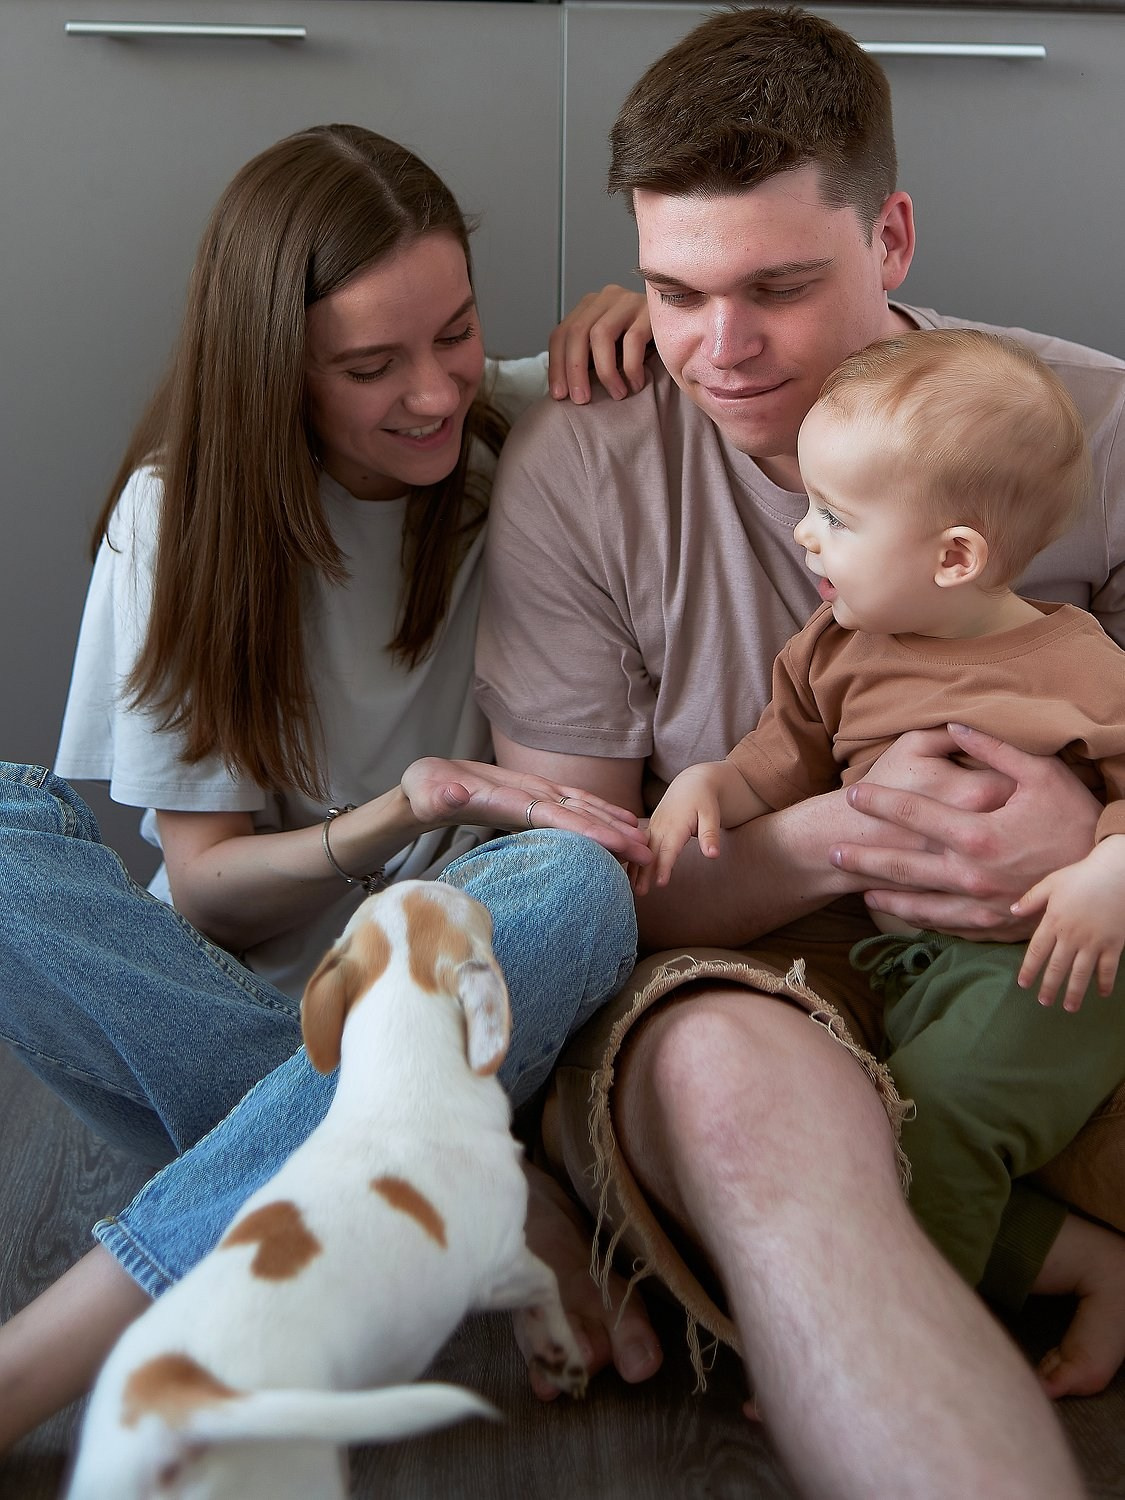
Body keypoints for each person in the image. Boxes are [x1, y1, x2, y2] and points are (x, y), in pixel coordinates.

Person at [474, 9, 1125, 1497]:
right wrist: (853, 830)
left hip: (1069, 967)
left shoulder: (1086, 428)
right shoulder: (589, 465)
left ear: (890, 237)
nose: (721, 349)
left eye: (777, 286)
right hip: (738, 981)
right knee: (746, 1098)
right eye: (675, 291)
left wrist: (1082, 842)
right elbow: (582, 904)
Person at [0, 123, 655, 1450]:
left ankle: (37, 1360)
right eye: (370, 368)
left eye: (457, 332)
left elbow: (784, 383)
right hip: (234, 1014)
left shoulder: (530, 435)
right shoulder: (178, 518)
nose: (434, 391)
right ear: (275, 369)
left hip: (468, 995)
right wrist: (407, 810)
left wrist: (649, 317)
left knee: (577, 881)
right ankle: (476, 1172)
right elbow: (208, 892)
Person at [638, 326, 1125, 1324]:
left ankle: (903, 1334)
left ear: (955, 557)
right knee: (871, 1136)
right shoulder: (834, 650)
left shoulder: (1078, 665)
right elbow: (774, 762)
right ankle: (1081, 1266)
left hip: (1049, 975)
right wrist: (705, 788)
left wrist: (1108, 868)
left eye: (835, 516)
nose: (804, 535)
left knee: (940, 1113)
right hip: (908, 970)